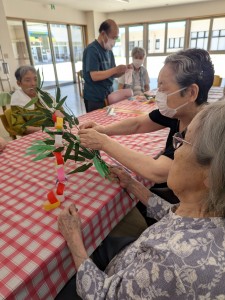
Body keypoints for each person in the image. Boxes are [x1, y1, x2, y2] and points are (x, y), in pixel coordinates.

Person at [57, 100, 225, 299]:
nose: (174, 150)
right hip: (132, 257)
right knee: (100, 242)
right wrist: (133, 185)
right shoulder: (208, 214)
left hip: (115, 282)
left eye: (183, 141)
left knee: (58, 281)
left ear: (212, 174)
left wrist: (74, 240)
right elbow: (177, 219)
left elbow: (102, 295)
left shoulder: (169, 261)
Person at [79, 48, 214, 205]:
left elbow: (156, 171)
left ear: (191, 92)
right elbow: (138, 124)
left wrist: (103, 142)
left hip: (187, 204)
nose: (159, 94)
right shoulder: (178, 112)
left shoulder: (201, 131)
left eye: (163, 88)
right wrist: (103, 130)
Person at [82, 19, 127, 112]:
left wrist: (122, 71)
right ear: (103, 34)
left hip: (108, 94)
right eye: (113, 37)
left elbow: (112, 73)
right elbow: (94, 76)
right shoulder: (92, 50)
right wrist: (115, 70)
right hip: (95, 97)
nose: (114, 42)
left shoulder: (109, 51)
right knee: (96, 123)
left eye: (116, 38)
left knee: (109, 121)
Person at [11, 65, 63, 135]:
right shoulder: (17, 101)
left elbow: (61, 112)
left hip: (57, 132)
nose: (33, 84)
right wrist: (46, 130)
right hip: (37, 135)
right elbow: (18, 126)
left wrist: (59, 119)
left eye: (35, 79)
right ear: (19, 83)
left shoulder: (44, 95)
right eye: (28, 80)